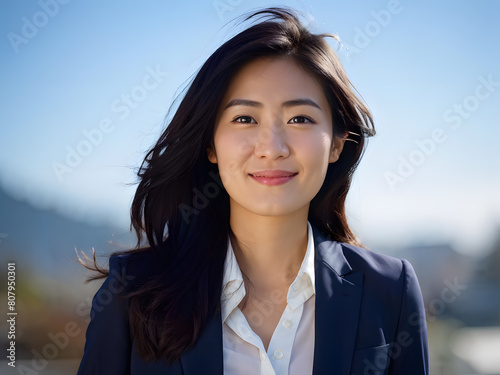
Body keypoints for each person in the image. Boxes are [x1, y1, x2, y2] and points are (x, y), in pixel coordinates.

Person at [77, 7, 429, 375]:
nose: (271, 147)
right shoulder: (133, 293)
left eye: (300, 119)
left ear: (338, 143)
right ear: (210, 144)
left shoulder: (390, 290)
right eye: (245, 118)